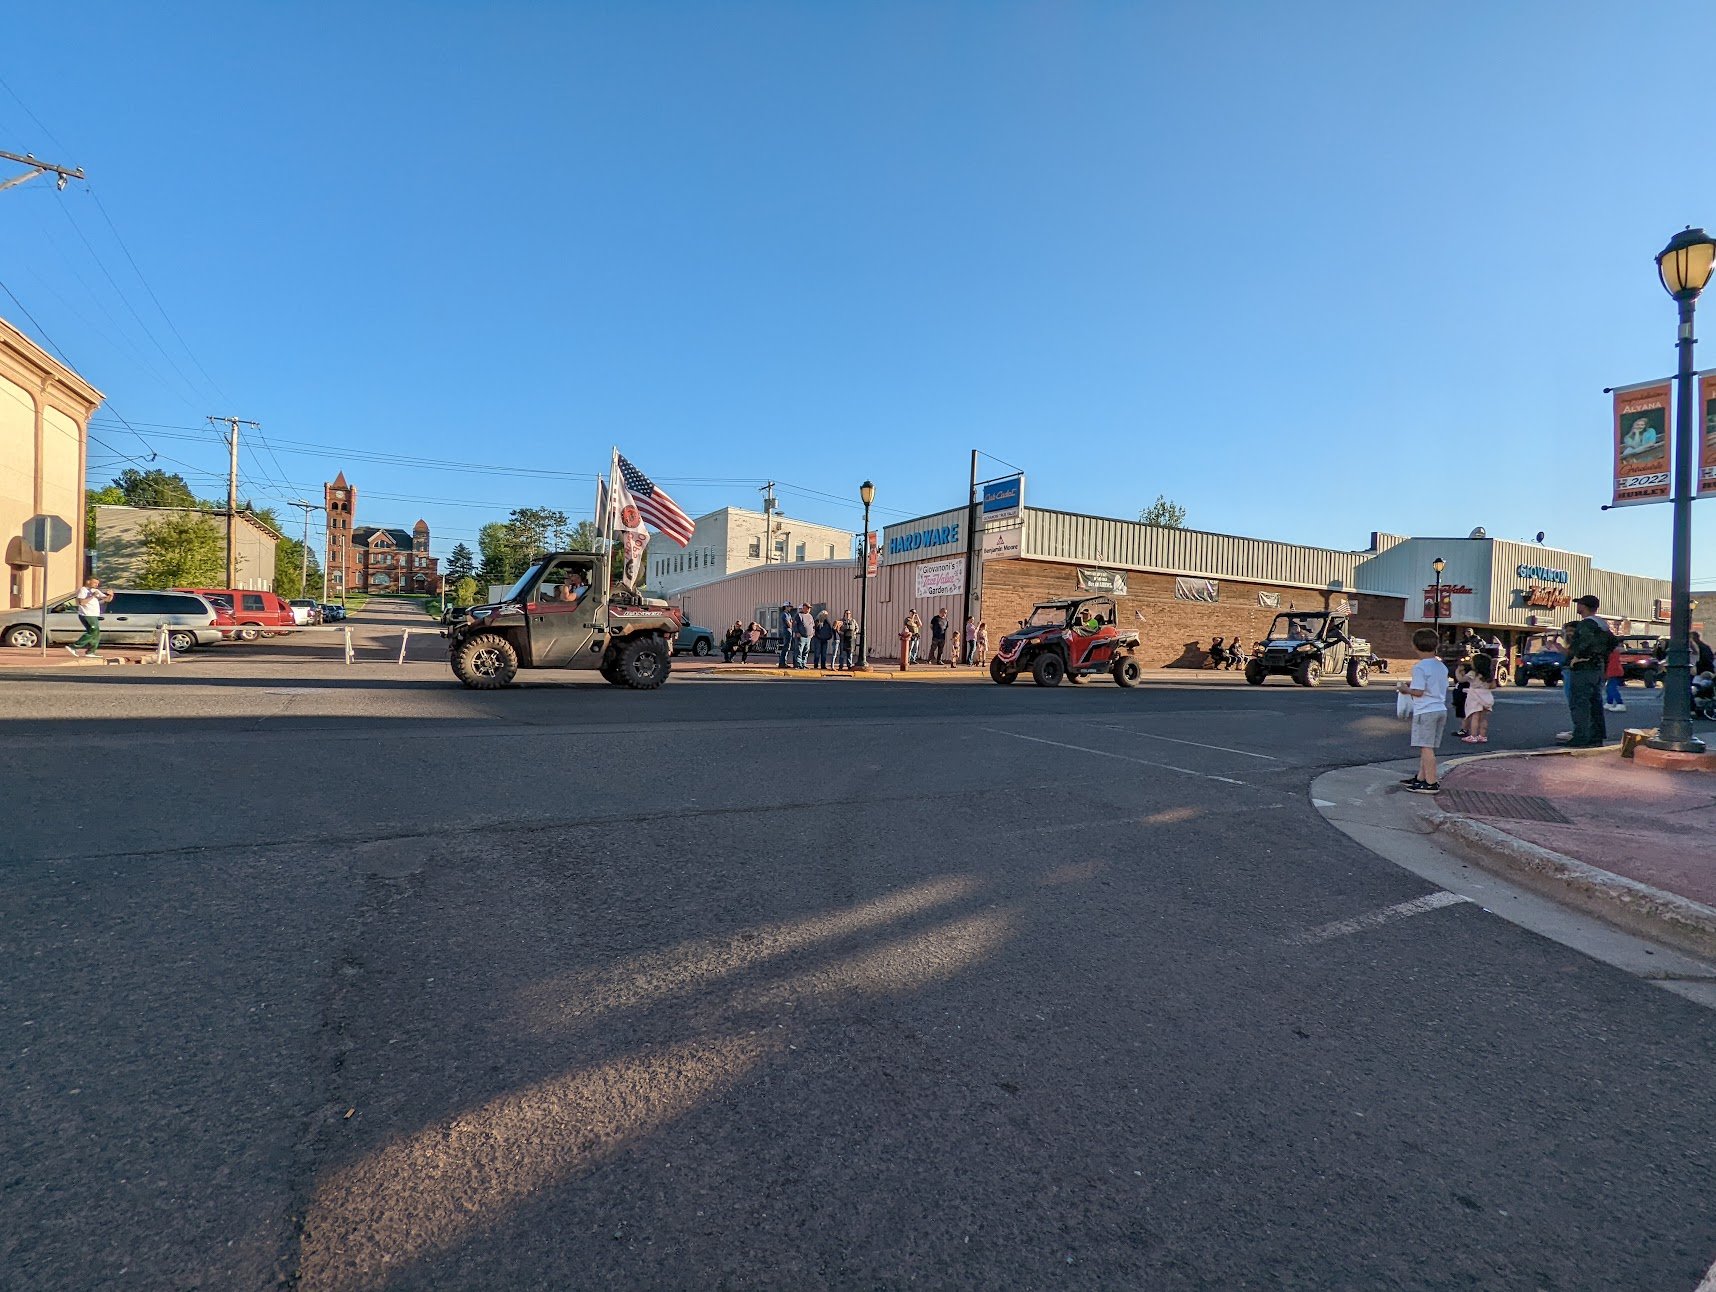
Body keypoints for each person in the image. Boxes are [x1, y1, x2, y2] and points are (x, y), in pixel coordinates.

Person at [1556, 594, 1618, 748]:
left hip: (1584, 668)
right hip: (1598, 668)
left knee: (1580, 703)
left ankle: (1581, 737)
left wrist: (1573, 654)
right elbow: (1613, 643)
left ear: (1583, 606)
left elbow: (1581, 645)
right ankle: (1596, 736)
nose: (1577, 606)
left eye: (1579, 604)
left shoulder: (1586, 624)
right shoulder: (1603, 625)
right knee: (1595, 703)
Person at [1398, 627, 1449, 794]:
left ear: (1415, 646)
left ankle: (1431, 782)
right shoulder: (1441, 666)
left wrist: (1405, 689)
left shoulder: (1420, 667)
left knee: (1426, 748)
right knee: (1427, 746)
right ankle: (1421, 778)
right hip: (1440, 708)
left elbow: (1418, 691)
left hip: (1425, 711)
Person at [70, 577, 114, 657]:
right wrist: (92, 596)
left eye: (97, 583)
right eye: (94, 583)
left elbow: (107, 600)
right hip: (87, 615)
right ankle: (73, 646)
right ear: (88, 581)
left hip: (93, 615)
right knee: (93, 632)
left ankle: (91, 652)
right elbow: (82, 602)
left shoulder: (96, 591)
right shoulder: (83, 590)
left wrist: (111, 595)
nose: (96, 585)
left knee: (96, 634)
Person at [1461, 654, 1496, 744]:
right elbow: (1493, 686)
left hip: (1475, 696)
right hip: (1485, 696)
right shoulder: (1489, 675)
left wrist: (1458, 672)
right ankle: (1482, 736)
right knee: (1483, 718)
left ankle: (1473, 735)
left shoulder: (1473, 673)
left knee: (1474, 716)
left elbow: (1461, 679)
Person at [1603, 629, 1627, 713]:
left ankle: (1620, 703)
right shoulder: (1613, 649)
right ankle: (1610, 702)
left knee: (1611, 687)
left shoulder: (1609, 650)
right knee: (1610, 687)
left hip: (1612, 670)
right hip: (1614, 669)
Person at [794, 603, 814, 669]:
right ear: (803, 608)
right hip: (801, 636)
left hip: (808, 637)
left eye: (809, 608)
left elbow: (812, 625)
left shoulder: (810, 616)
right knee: (799, 650)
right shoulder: (799, 615)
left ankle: (804, 664)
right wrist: (797, 632)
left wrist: (812, 633)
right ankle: (798, 664)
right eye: (807, 608)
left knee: (806, 651)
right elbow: (795, 625)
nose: (808, 609)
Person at [777, 604, 796, 669]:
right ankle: (782, 663)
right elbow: (789, 624)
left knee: (787, 647)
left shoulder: (789, 615)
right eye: (788, 606)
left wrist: (791, 623)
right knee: (786, 647)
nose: (790, 608)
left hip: (789, 631)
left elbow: (791, 623)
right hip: (787, 631)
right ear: (785, 607)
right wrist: (791, 623)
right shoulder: (784, 614)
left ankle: (784, 663)